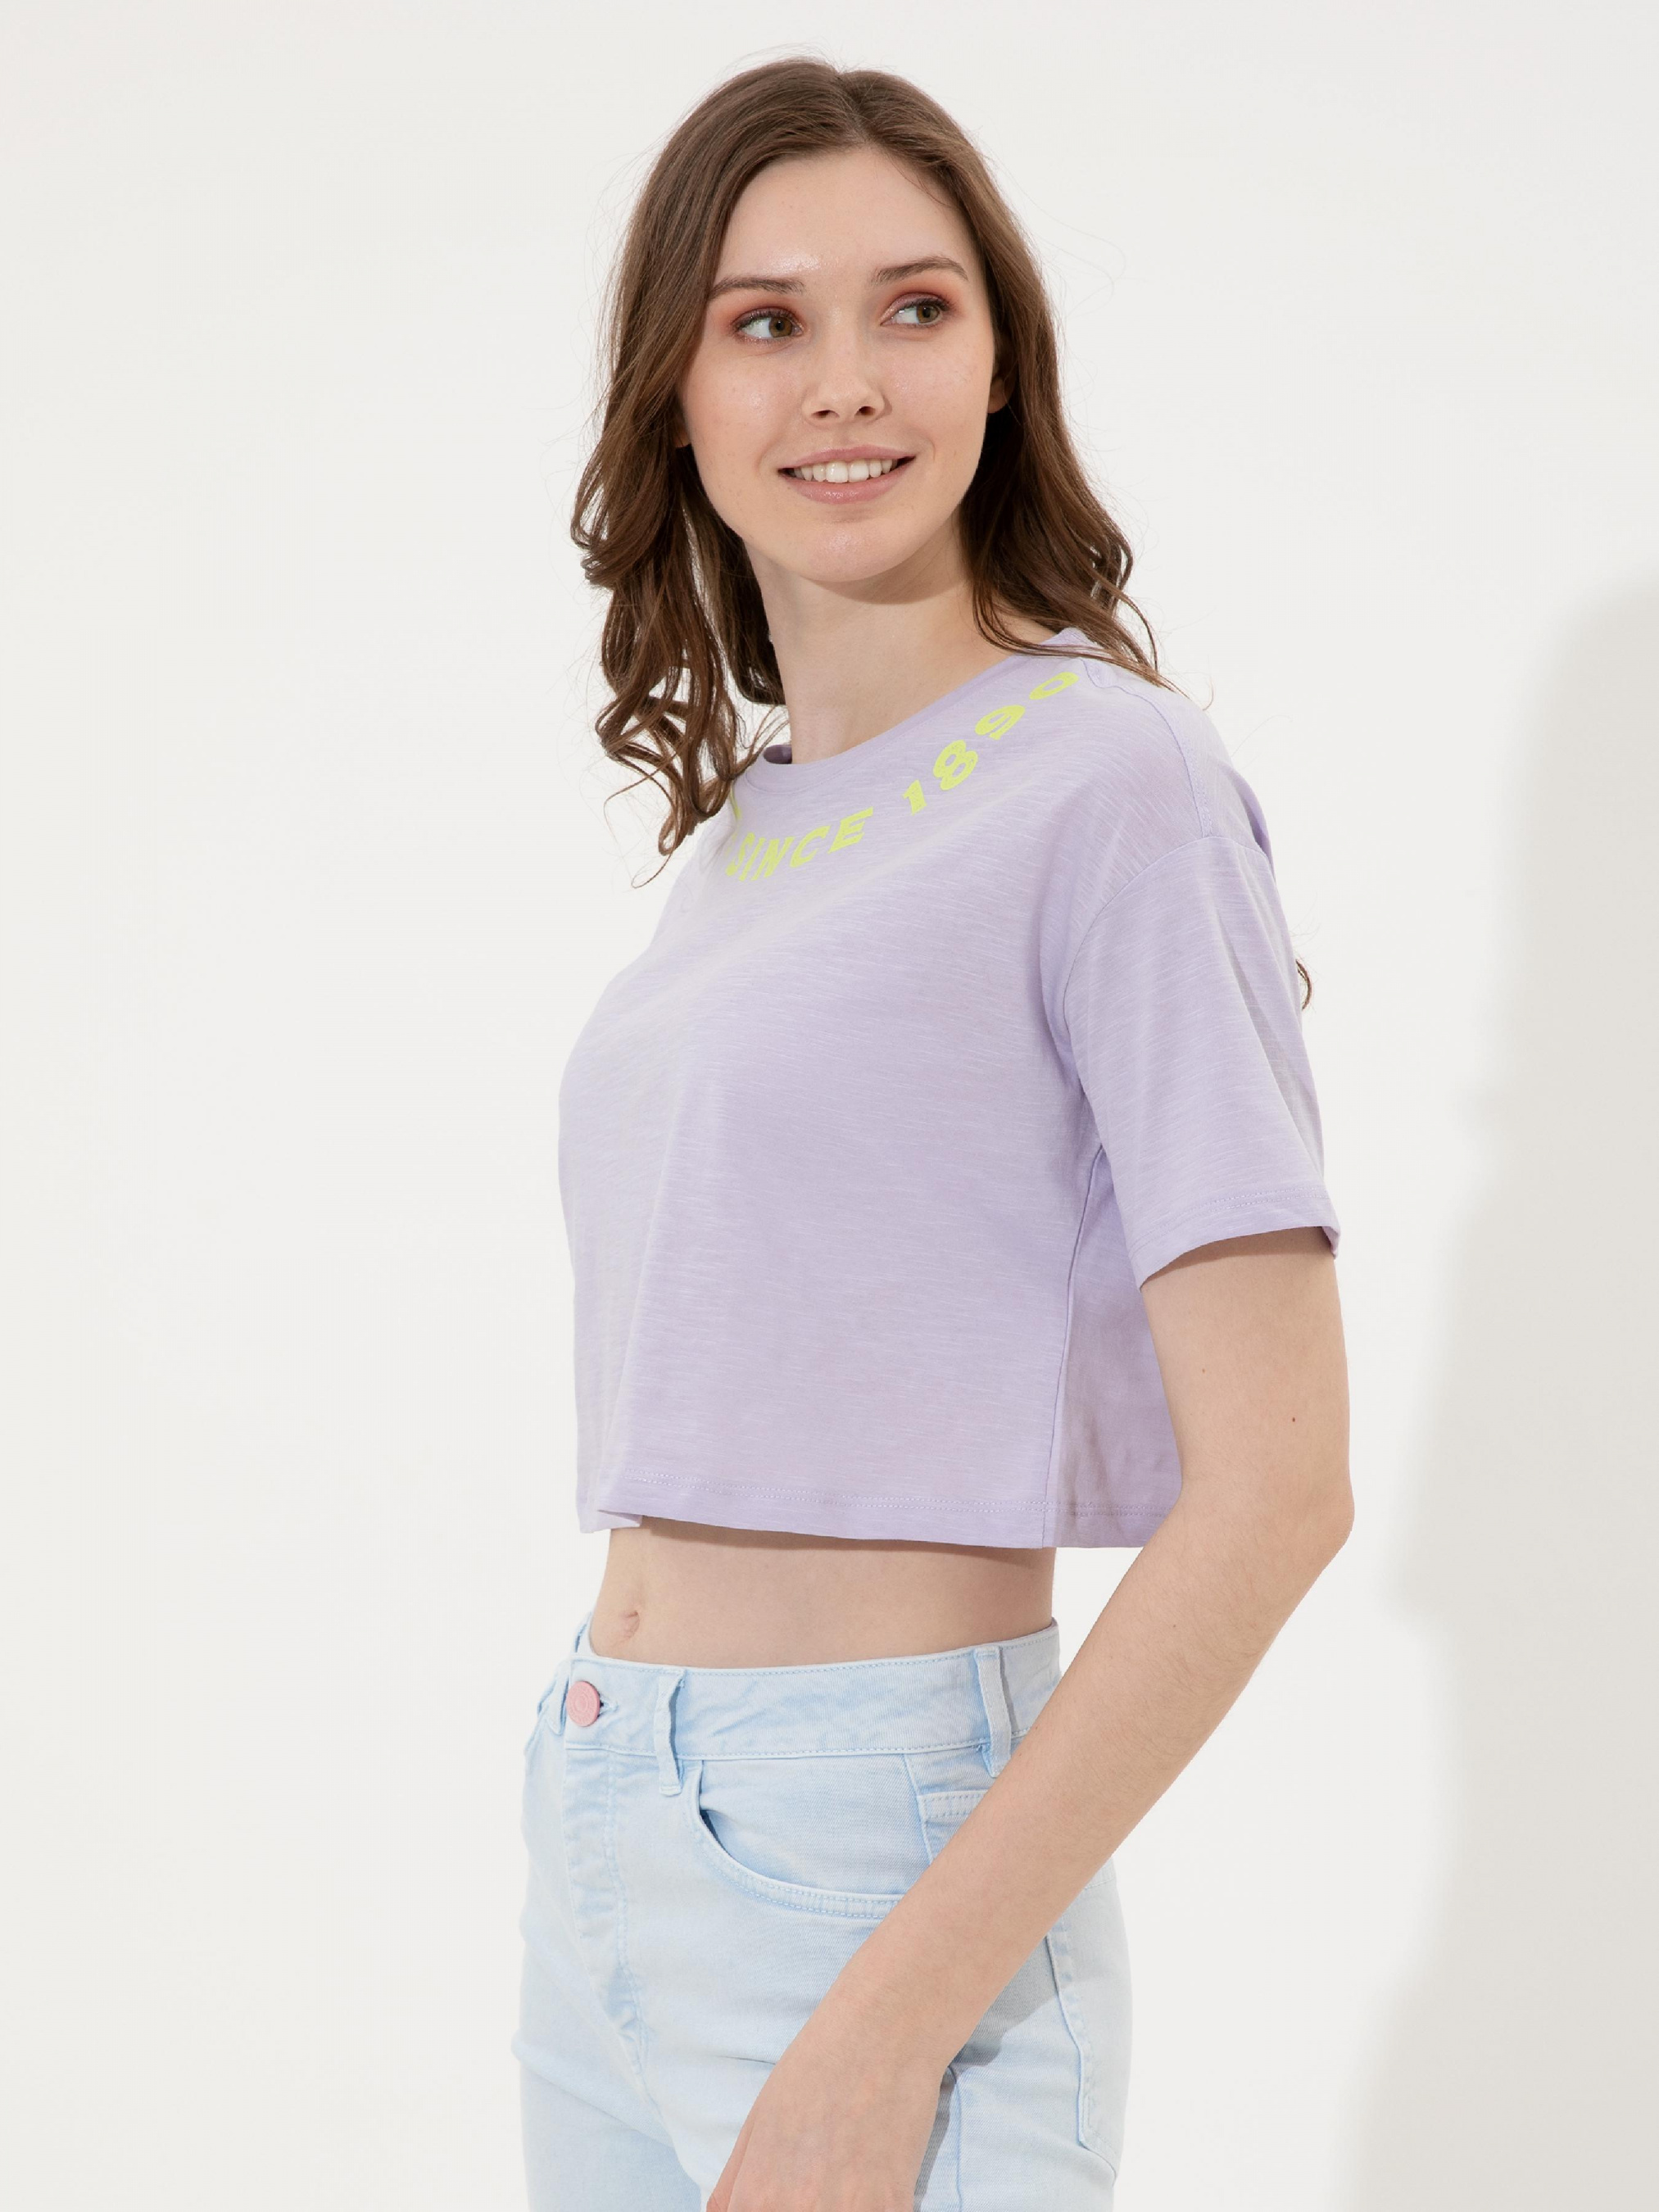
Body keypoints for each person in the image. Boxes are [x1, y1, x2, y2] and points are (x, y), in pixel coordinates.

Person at [513, 56, 1351, 2212]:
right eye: (763, 321)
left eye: (914, 306)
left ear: (999, 365)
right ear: (676, 396)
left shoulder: (1114, 784)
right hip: (607, 1812)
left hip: (872, 1854)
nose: (845, 382)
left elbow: (1279, 1490)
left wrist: (889, 2026)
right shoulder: (747, 839)